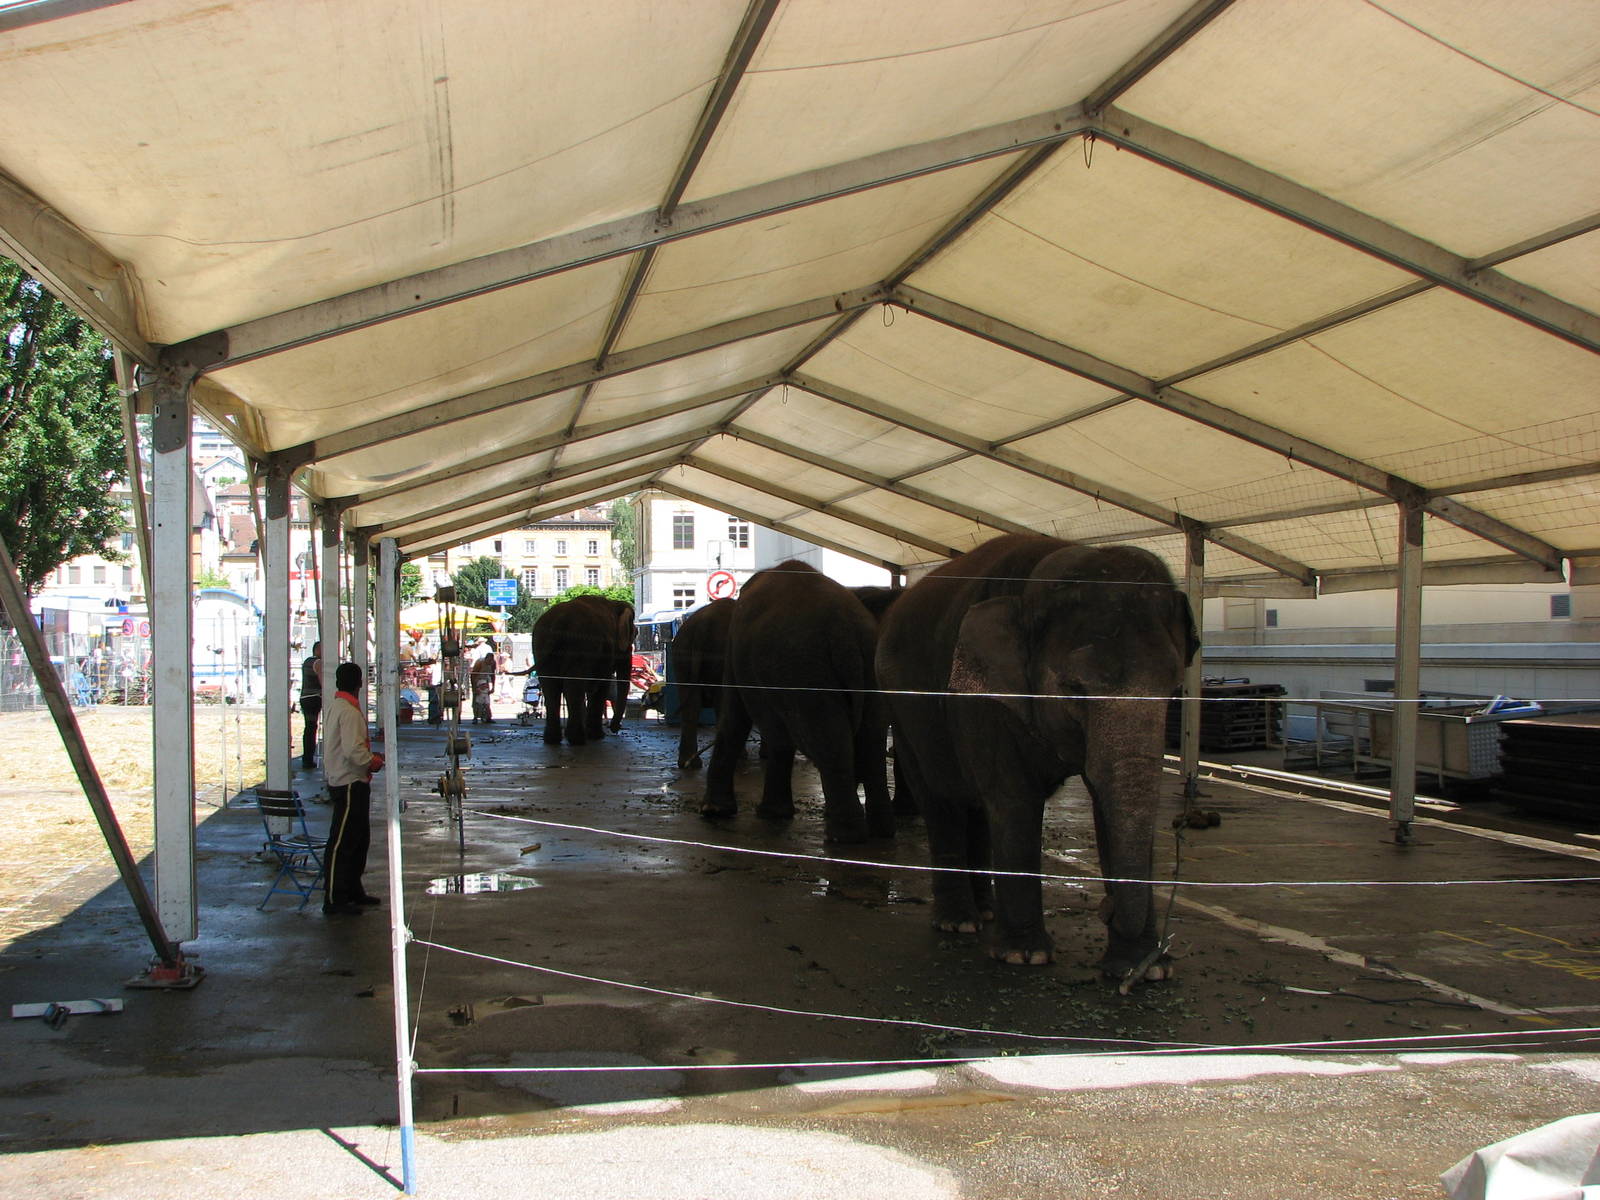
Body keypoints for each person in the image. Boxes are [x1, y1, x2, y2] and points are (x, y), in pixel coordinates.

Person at [322, 661, 384, 915]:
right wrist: (372, 761)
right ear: (359, 683)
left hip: (352, 781)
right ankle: (335, 898)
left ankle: (352, 889)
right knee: (342, 842)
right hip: (348, 781)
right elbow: (352, 751)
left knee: (358, 839)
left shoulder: (339, 706)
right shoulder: (348, 711)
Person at [298, 641, 322, 769]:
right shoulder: (317, 663)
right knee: (311, 729)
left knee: (309, 728)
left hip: (306, 698)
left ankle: (307, 758)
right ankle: (308, 759)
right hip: (313, 698)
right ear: (317, 650)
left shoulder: (307, 662)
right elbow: (322, 680)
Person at [469, 638, 497, 725]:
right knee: (477, 701)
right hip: (477, 681)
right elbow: (473, 675)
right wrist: (474, 687)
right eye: (489, 661)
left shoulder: (493, 663)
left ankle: (487, 717)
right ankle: (475, 717)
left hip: (485, 681)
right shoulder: (480, 662)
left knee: (486, 701)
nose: (490, 663)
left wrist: (493, 687)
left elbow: (492, 675)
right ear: (486, 659)